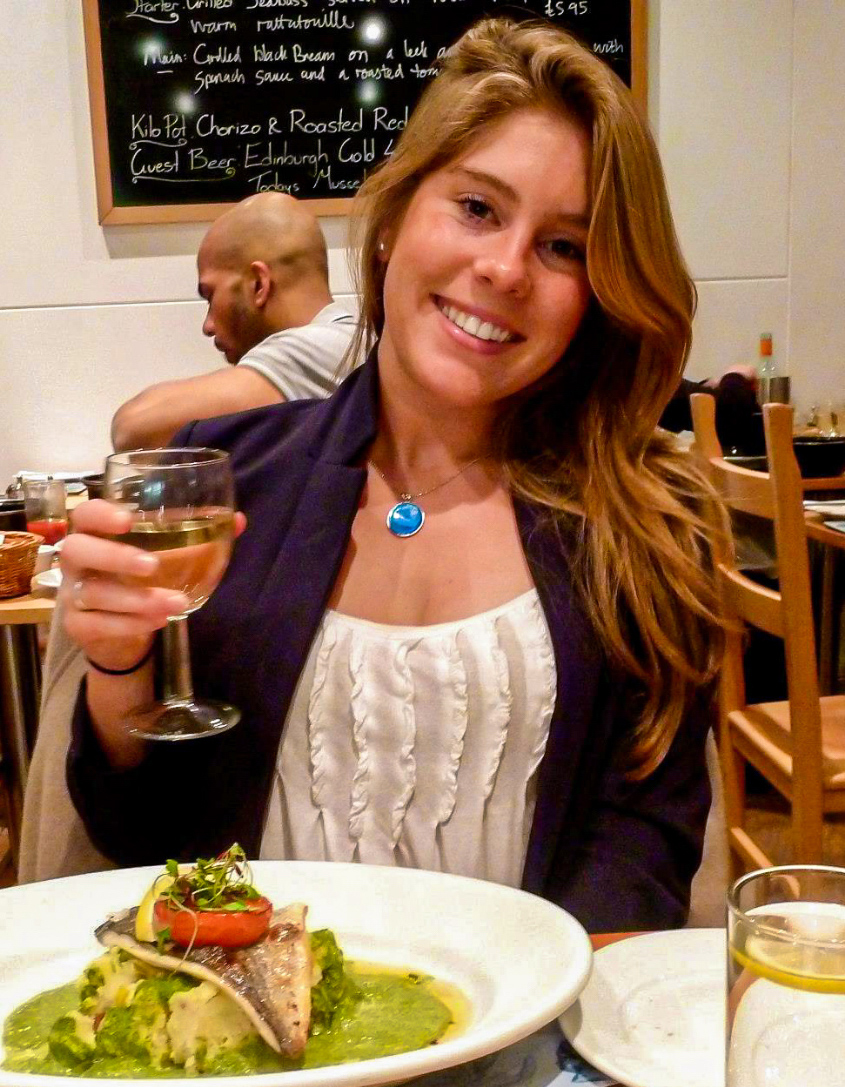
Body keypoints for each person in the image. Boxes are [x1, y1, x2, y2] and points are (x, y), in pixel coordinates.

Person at [39, 18, 726, 932]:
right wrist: (120, 665)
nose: (504, 268)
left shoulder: (646, 524)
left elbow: (643, 840)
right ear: (397, 218)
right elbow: (139, 832)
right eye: (477, 208)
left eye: (563, 246)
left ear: (597, 289)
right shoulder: (229, 480)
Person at [110, 193, 357, 452]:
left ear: (258, 284)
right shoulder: (347, 339)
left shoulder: (321, 350)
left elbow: (133, 427)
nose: (207, 326)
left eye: (210, 295)